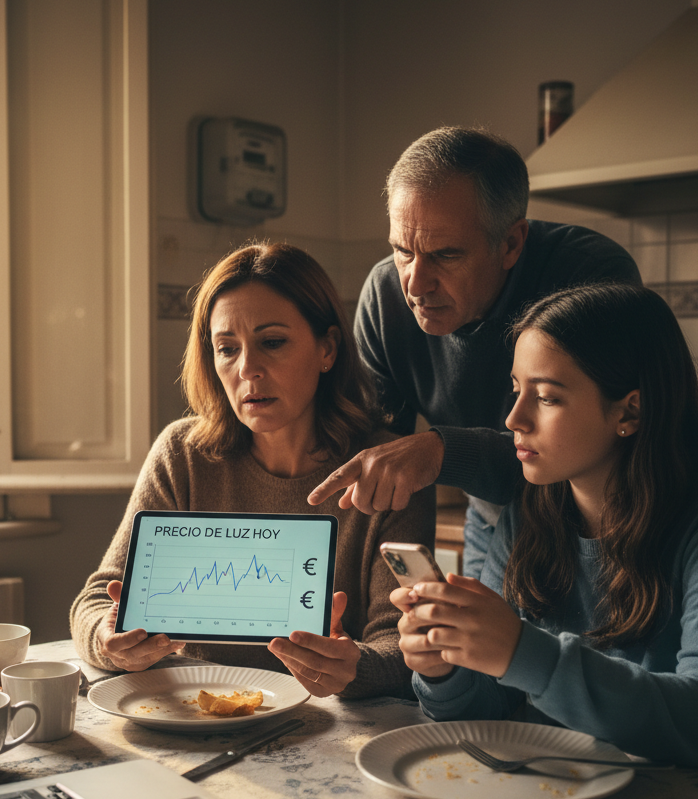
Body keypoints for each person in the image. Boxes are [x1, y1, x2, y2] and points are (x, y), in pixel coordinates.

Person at [392, 283, 698, 767]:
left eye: (547, 398)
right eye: (516, 390)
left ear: (629, 410)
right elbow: (490, 707)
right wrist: (444, 671)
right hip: (554, 795)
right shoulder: (528, 515)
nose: (514, 418)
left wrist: (524, 652)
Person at [70, 242, 435, 700]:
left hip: (325, 730)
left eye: (273, 342)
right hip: (188, 714)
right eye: (227, 349)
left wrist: (356, 666)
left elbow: (404, 648)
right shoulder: (180, 454)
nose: (248, 369)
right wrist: (108, 641)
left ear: (327, 349)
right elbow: (98, 598)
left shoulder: (387, 470)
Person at [309, 127, 641, 579]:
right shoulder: (385, 296)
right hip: (489, 515)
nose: (414, 285)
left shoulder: (591, 278)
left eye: (445, 255)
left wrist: (442, 451)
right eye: (402, 250)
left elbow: (591, 449)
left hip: (599, 522)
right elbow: (380, 453)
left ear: (511, 244)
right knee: (474, 649)